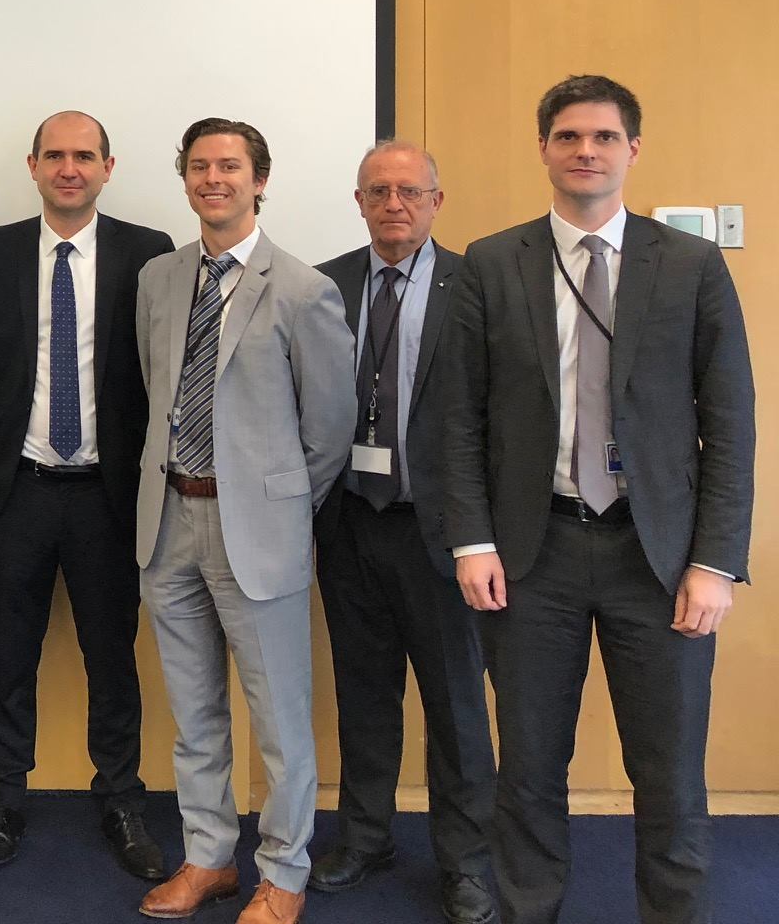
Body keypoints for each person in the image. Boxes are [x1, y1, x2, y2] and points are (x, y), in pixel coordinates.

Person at [438, 75, 755, 924]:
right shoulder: (492, 262)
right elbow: (460, 417)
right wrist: (472, 541)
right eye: (569, 136)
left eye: (605, 137)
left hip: (660, 561)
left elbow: (730, 421)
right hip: (530, 552)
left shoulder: (690, 264)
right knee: (529, 768)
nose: (586, 151)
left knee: (670, 771)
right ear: (543, 148)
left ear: (633, 150)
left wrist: (716, 561)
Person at [133, 118, 351, 924]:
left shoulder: (302, 289)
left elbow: (328, 430)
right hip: (168, 525)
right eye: (199, 166)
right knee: (194, 715)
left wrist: (274, 506)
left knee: (280, 721)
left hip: (256, 535)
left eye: (230, 166)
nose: (213, 178)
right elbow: (157, 390)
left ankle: (284, 872)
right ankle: (208, 858)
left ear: (260, 180)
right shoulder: (159, 279)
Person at [0, 111, 171, 877]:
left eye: (85, 156)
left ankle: (120, 801)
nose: (69, 168)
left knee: (111, 656)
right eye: (55, 155)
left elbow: (156, 364)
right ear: (33, 166)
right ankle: (2, 799)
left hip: (107, 495)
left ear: (108, 168)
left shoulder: (147, 252)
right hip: (22, 487)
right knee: (10, 652)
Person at [310, 142, 495, 924]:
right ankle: (365, 839)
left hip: (440, 531)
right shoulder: (324, 285)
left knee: (455, 706)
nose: (395, 204)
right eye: (379, 191)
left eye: (410, 191)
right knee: (363, 694)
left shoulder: (475, 286)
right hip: (350, 520)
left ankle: (467, 863)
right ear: (358, 201)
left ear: (436, 202)